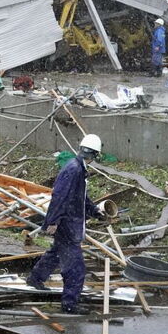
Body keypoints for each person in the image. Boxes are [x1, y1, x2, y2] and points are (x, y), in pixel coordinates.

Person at [26, 134, 109, 314]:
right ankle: (70, 304)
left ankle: (35, 278)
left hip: (69, 223)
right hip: (67, 225)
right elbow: (59, 196)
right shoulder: (74, 170)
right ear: (93, 155)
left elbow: (80, 197)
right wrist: (53, 221)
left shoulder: (78, 168)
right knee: (75, 267)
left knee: (55, 253)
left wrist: (94, 210)